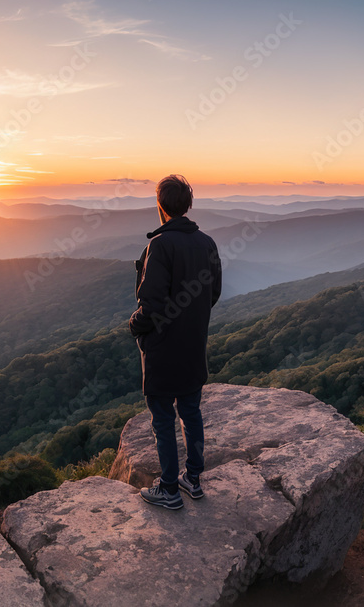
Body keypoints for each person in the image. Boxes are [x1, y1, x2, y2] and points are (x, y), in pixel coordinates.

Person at [129, 175, 222, 510]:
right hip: (193, 344)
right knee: (191, 411)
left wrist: (134, 326)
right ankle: (192, 480)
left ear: (160, 206)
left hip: (162, 349)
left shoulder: (161, 245)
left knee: (163, 420)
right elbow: (212, 293)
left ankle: (169, 489)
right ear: (188, 205)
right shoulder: (207, 243)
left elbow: (150, 305)